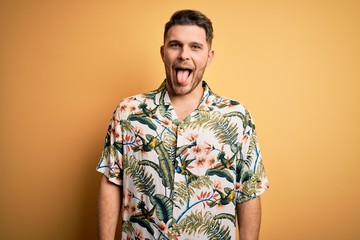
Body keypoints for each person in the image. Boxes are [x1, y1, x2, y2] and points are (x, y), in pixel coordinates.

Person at [97, 9, 269, 240]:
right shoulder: (128, 112)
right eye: (175, 45)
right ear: (163, 52)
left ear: (209, 56)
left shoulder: (236, 117)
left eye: (195, 47)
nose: (184, 55)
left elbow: (248, 193)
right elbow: (111, 182)